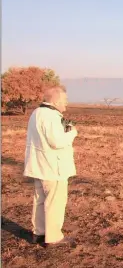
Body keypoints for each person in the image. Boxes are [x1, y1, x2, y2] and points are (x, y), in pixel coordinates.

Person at [24, 86, 78, 247]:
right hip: (54, 168)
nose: (66, 104)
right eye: (64, 100)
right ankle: (54, 237)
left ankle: (39, 233)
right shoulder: (51, 116)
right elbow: (57, 142)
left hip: (40, 166)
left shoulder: (36, 113)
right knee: (55, 202)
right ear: (55, 100)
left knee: (40, 200)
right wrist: (72, 132)